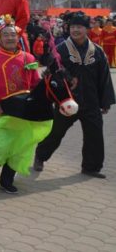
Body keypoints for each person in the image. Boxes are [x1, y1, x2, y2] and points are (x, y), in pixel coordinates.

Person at [34, 12, 115, 178]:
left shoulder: (97, 51)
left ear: (87, 29)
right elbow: (50, 75)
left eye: (79, 27)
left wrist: (104, 102)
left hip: (91, 101)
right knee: (56, 132)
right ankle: (41, 156)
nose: (75, 30)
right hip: (67, 101)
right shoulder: (61, 50)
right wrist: (61, 76)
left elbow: (104, 77)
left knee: (95, 134)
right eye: (72, 27)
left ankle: (91, 167)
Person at [0, 15, 43, 193]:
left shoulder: (28, 58)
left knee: (20, 149)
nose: (10, 38)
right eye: (6, 35)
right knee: (0, 147)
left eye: (13, 34)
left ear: (18, 37)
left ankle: (7, 180)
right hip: (1, 111)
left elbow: (35, 84)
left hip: (23, 111)